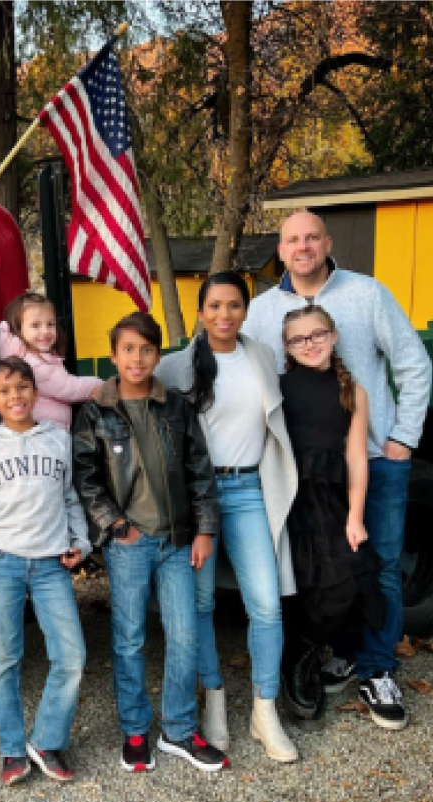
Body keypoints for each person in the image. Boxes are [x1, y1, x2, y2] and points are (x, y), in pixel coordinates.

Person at [245, 211, 432, 731]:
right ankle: (342, 650)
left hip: (373, 457)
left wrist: (402, 438)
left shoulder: (367, 295)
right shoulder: (261, 312)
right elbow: (234, 368)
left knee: (382, 566)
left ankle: (377, 669)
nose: (302, 247)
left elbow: (414, 364)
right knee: (320, 568)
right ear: (279, 251)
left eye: (311, 237)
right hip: (306, 472)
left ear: (327, 243)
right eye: (291, 240)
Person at [72, 311, 227, 773]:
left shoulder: (176, 407)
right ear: (114, 354)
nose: (137, 358)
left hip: (177, 540)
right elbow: (87, 478)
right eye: (128, 349)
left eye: (146, 349)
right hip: (129, 545)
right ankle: (136, 729)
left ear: (158, 355)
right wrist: (117, 527)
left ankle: (179, 730)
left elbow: (200, 471)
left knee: (182, 634)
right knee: (129, 637)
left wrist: (204, 530)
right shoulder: (96, 409)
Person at [155, 272, 298, 763]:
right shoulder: (177, 368)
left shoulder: (261, 356)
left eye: (234, 305)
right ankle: (213, 698)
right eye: (214, 306)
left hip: (249, 489)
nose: (224, 315)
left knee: (266, 603)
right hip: (198, 495)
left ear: (245, 310)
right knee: (199, 605)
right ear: (200, 312)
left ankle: (264, 711)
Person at [0, 357, 91, 786]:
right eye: (5, 391)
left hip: (53, 564)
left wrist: (83, 542)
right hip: (2, 563)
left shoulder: (57, 441)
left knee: (71, 655)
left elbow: (71, 498)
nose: (15, 396)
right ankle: (12, 750)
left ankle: (47, 740)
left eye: (22, 387)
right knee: (4, 659)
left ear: (36, 393)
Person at [278, 304, 387, 722]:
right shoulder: (279, 387)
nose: (310, 344)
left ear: (334, 336)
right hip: (290, 500)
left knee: (348, 581)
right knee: (303, 585)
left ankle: (308, 645)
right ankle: (297, 661)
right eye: (299, 339)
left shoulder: (352, 389)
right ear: (287, 347)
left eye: (317, 335)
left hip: (333, 499)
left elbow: (357, 458)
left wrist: (355, 516)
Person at [0, 291, 102, 430]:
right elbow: (67, 388)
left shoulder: (37, 357)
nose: (45, 331)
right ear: (18, 329)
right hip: (43, 432)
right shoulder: (34, 363)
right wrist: (100, 385)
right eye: (35, 325)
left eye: (50, 324)